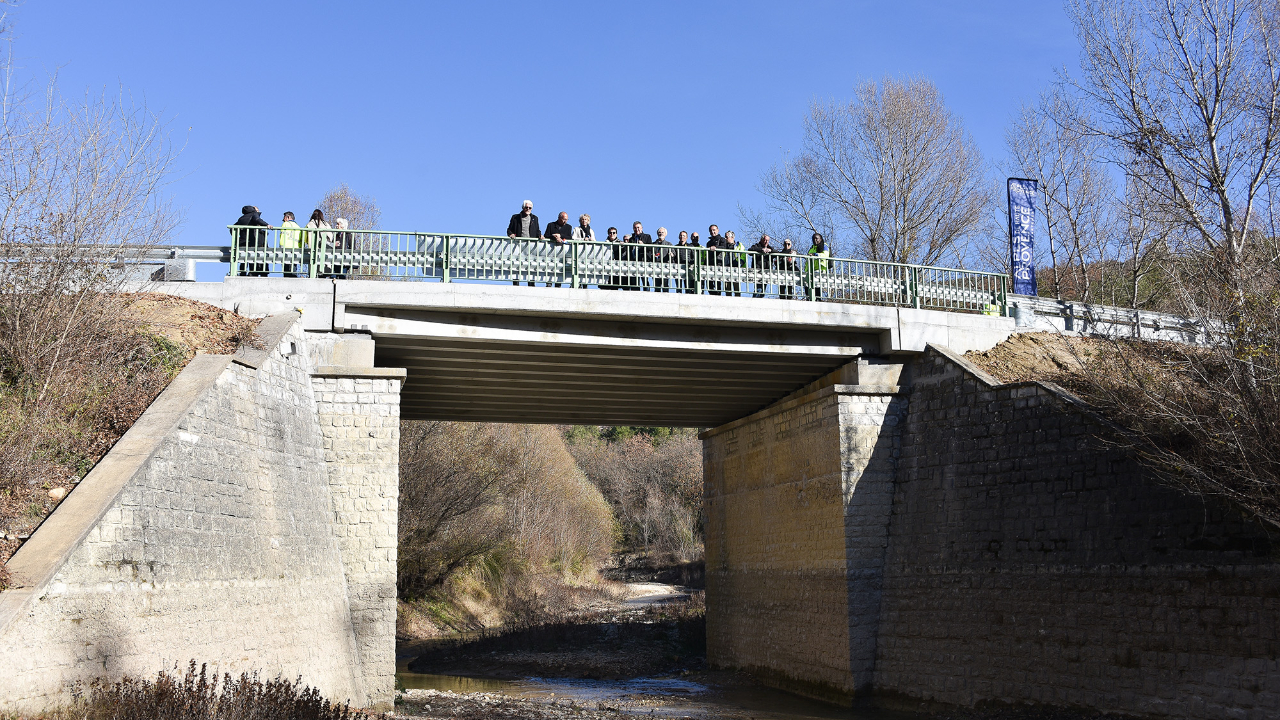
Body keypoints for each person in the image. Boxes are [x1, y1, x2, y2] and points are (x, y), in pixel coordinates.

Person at [507, 200, 540, 286]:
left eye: (530, 208)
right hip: (518, 244)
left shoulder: (535, 218)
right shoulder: (515, 217)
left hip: (531, 245)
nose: (528, 209)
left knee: (531, 264)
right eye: (526, 207)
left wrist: (540, 235)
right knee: (517, 264)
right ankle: (516, 282)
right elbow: (509, 229)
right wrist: (511, 234)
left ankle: (531, 283)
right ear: (523, 208)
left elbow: (537, 230)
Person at [233, 205, 270, 277]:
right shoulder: (254, 215)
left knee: (244, 258)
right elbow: (257, 220)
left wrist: (236, 238)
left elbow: (233, 228)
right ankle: (254, 273)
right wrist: (267, 225)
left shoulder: (241, 218)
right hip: (253, 241)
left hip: (242, 241)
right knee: (254, 257)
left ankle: (243, 273)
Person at [542, 211, 575, 288]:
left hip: (562, 251)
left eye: (566, 219)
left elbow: (569, 237)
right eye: (564, 219)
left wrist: (560, 236)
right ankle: (549, 282)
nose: (565, 221)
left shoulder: (568, 227)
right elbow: (546, 235)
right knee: (550, 266)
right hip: (551, 250)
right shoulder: (551, 225)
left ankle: (558, 284)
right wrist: (554, 236)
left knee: (560, 267)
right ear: (559, 218)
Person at [623, 221, 652, 290]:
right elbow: (628, 250)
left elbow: (650, 248)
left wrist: (643, 245)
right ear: (633, 229)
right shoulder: (631, 239)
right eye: (635, 228)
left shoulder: (647, 236)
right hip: (633, 262)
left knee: (644, 280)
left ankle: (647, 294)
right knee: (634, 281)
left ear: (642, 228)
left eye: (638, 227)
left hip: (643, 261)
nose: (637, 229)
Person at [304, 209, 331, 279]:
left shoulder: (309, 224)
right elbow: (331, 237)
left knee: (313, 272)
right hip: (324, 253)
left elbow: (305, 238)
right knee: (323, 274)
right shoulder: (326, 224)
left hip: (313, 251)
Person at [806, 232, 830, 301]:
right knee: (807, 283)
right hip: (811, 270)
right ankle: (809, 298)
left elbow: (825, 255)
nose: (815, 240)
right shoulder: (812, 248)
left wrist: (816, 254)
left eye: (816, 238)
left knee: (816, 284)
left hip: (820, 269)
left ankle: (818, 299)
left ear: (821, 239)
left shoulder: (824, 246)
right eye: (813, 239)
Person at [704, 224, 727, 295]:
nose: (712, 232)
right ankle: (712, 294)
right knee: (709, 283)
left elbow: (724, 247)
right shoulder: (709, 243)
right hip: (710, 263)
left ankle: (718, 295)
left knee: (717, 282)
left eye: (714, 230)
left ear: (718, 230)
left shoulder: (722, 239)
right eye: (711, 230)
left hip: (718, 263)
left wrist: (716, 248)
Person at [279, 212, 303, 278]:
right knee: (294, 267)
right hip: (296, 249)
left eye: (284, 218)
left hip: (286, 248)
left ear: (288, 217)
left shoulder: (285, 224)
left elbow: (283, 236)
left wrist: (281, 247)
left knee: (286, 269)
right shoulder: (298, 226)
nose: (283, 220)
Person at [651, 227, 672, 292]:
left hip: (665, 267)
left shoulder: (668, 244)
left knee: (665, 284)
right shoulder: (654, 244)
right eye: (659, 232)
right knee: (657, 285)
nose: (661, 234)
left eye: (662, 232)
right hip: (656, 267)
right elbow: (650, 253)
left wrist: (671, 254)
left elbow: (673, 253)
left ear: (665, 234)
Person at [725, 231, 744, 297]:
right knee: (727, 288)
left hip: (736, 269)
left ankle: (738, 301)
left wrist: (739, 263)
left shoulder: (739, 245)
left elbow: (743, 255)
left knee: (737, 287)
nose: (725, 238)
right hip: (726, 269)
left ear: (732, 237)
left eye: (727, 237)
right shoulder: (724, 246)